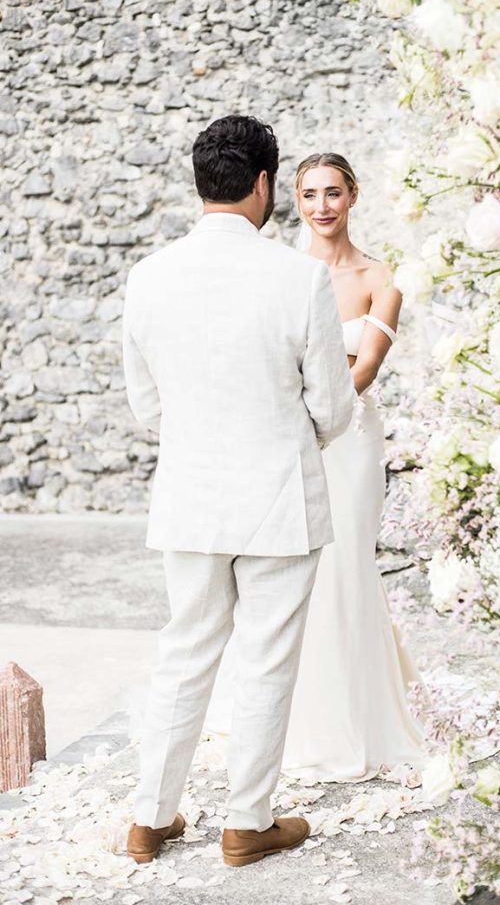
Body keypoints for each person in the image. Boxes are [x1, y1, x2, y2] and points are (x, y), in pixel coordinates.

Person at [122, 117, 356, 867]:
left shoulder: (147, 276)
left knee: (184, 653)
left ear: (202, 184)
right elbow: (333, 406)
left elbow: (146, 407)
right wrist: (285, 438)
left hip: (188, 495)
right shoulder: (298, 276)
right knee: (265, 659)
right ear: (264, 184)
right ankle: (246, 824)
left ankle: (149, 819)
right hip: (279, 497)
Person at [207, 152, 426, 782]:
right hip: (288, 439)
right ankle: (279, 716)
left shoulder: (381, 277)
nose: (321, 206)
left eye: (333, 192)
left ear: (353, 195)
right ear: (294, 200)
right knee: (286, 567)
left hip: (349, 441)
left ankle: (354, 718)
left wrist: (310, 420)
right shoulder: (280, 270)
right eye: (309, 194)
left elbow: (365, 368)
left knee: (345, 563)